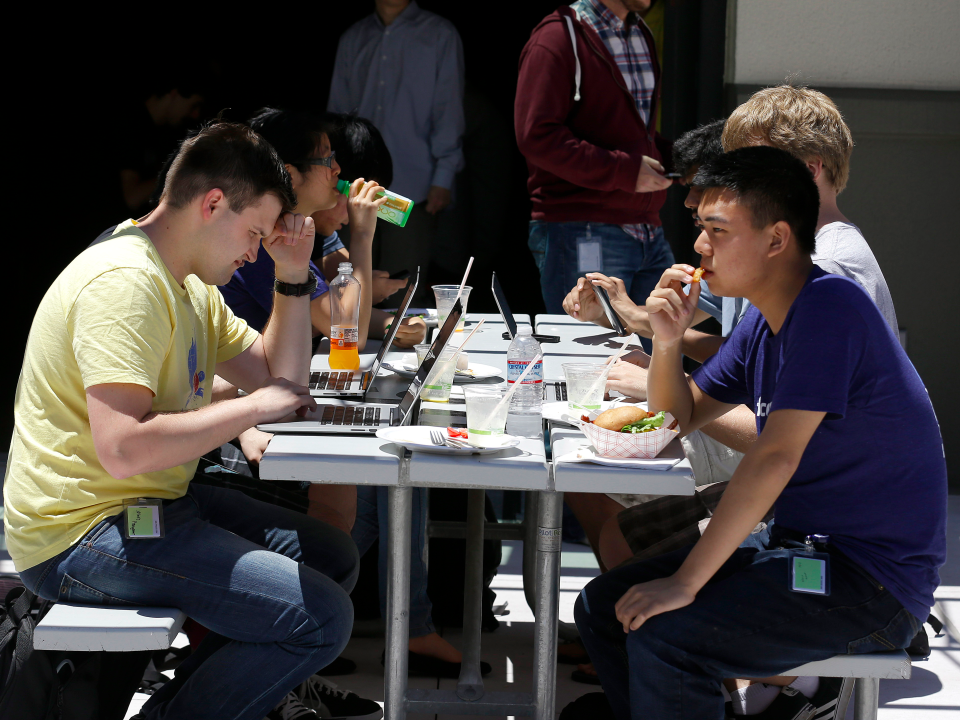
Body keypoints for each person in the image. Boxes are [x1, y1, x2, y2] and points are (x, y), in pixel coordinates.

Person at [3, 122, 380, 720]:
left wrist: (290, 272)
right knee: (321, 617)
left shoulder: (190, 285)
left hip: (149, 504)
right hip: (82, 533)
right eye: (255, 232)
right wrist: (251, 410)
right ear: (211, 205)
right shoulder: (126, 283)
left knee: (330, 556)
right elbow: (123, 449)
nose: (254, 251)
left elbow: (281, 379)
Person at [574, 146, 947, 720]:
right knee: (606, 605)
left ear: (776, 240)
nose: (699, 247)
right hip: (801, 549)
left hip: (870, 583)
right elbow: (676, 418)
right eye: (701, 229)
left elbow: (773, 458)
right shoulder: (763, 321)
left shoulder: (829, 309)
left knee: (668, 637)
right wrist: (668, 342)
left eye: (717, 231)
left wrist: (686, 583)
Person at [515, 0, 674, 318]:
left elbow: (626, 131)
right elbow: (537, 136)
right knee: (590, 362)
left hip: (648, 230)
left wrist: (680, 159)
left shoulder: (640, 32)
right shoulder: (557, 37)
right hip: (581, 229)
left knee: (658, 356)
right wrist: (625, 172)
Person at [328, 0, 465, 299]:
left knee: (402, 283)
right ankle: (353, 340)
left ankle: (398, 339)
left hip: (412, 184)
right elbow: (337, 113)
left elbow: (448, 107)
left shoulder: (439, 34)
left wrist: (444, 175)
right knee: (346, 278)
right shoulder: (354, 37)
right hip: (351, 183)